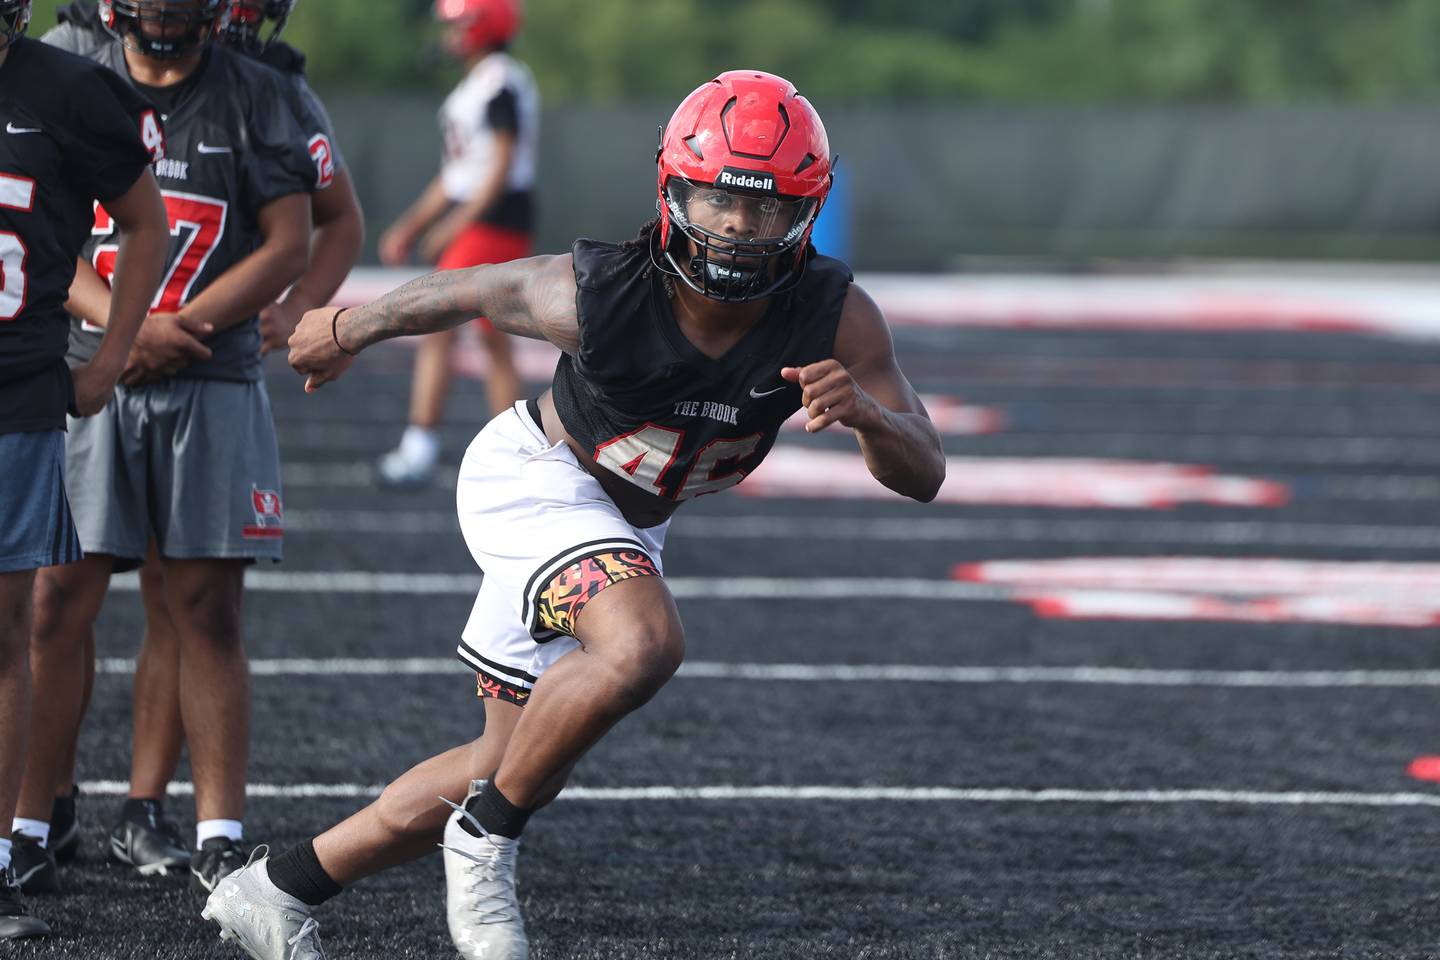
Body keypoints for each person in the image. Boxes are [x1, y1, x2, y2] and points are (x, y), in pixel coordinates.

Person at [204, 70, 945, 960]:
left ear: (807, 213)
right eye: (718, 203)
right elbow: (467, 289)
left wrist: (866, 415)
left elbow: (926, 469)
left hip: (628, 520)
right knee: (642, 643)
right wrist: (347, 326)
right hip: (539, 476)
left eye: (767, 211)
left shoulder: (834, 317)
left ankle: (275, 888)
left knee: (506, 763)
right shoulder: (600, 293)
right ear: (673, 193)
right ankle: (484, 845)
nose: (740, 232)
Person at [22, 0, 365, 890]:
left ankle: (191, 821)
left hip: (209, 369)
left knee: (201, 602)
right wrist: (129, 328)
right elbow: (40, 224)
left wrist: (194, 324)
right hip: (93, 359)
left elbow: (313, 230)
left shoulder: (263, 89)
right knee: (56, 598)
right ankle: (35, 816)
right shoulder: (67, 67)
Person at [0, 0, 170, 937]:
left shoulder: (68, 89)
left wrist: (109, 355)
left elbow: (145, 225)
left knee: (5, 639)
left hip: (16, 399)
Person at [375, 0, 538, 487]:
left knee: (437, 323)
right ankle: (520, 453)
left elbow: (501, 166)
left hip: (494, 219)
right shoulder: (479, 84)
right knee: (492, 337)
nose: (452, 33)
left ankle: (420, 445)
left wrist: (453, 224)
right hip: (483, 219)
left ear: (484, 26)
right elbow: (456, 176)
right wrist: (411, 224)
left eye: (461, 22)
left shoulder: (500, 80)